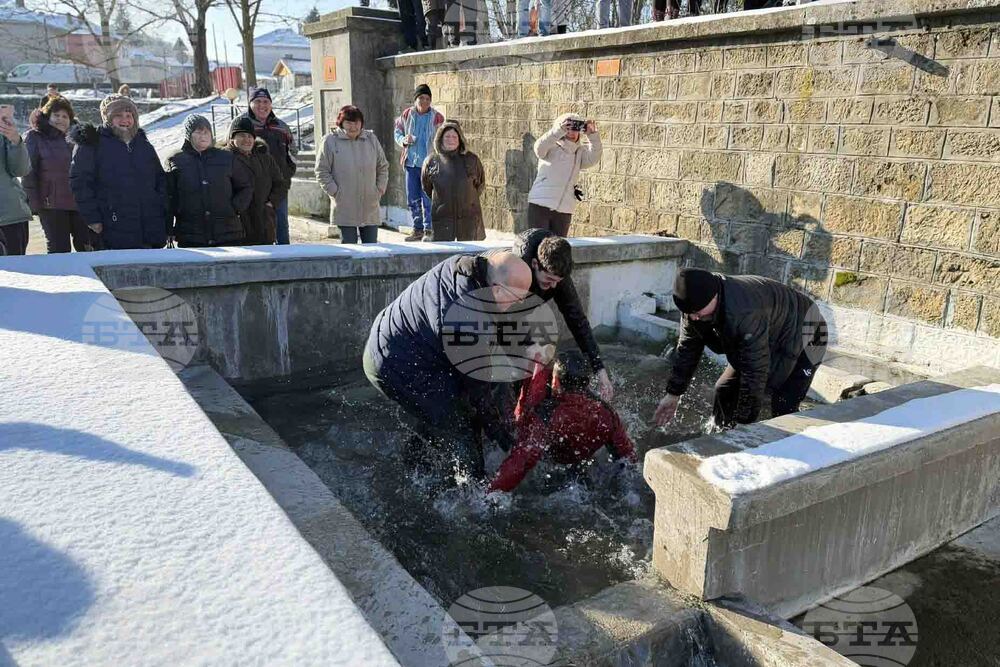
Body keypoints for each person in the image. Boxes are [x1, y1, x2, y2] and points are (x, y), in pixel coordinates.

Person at [364, 251, 533, 480]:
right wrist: (502, 436)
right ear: (496, 289)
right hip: (393, 364)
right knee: (460, 423)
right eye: (517, 298)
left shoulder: (477, 266)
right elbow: (478, 391)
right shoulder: (465, 318)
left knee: (456, 408)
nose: (519, 305)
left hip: (408, 343)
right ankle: (474, 493)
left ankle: (414, 458)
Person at [654, 268, 828, 430]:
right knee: (724, 389)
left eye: (697, 312)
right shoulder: (694, 306)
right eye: (689, 313)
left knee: (783, 403)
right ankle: (721, 434)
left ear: (714, 296)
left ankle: (795, 450)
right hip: (770, 331)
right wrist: (673, 393)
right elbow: (688, 349)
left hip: (810, 331)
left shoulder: (744, 312)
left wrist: (745, 424)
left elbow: (755, 371)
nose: (694, 317)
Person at [487, 350, 636, 493]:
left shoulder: (546, 415)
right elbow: (627, 457)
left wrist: (490, 492)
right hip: (580, 468)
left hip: (550, 470)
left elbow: (522, 462)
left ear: (556, 382)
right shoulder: (606, 412)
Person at [510, 228, 614, 400]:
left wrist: (600, 370)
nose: (553, 287)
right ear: (535, 264)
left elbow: (578, 321)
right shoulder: (515, 273)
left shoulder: (557, 277)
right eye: (548, 281)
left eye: (557, 282)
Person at [69, 94, 168, 250]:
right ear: (107, 118)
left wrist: (162, 213)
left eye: (129, 116)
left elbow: (160, 180)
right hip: (112, 226)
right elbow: (80, 183)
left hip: (149, 226)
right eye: (118, 115)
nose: (125, 120)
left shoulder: (143, 145)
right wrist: (92, 218)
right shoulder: (92, 144)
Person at [164, 115, 252, 248]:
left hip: (228, 232)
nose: (203, 136)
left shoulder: (226, 158)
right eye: (198, 132)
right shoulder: (175, 160)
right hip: (191, 234)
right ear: (189, 135)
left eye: (206, 132)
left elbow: (245, 186)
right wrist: (169, 228)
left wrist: (234, 208)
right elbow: (168, 197)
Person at [23, 96, 97, 253]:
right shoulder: (35, 137)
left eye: (65, 116)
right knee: (59, 249)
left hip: (79, 203)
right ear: (47, 116)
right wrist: (34, 204)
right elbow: (28, 173)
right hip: (51, 205)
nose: (61, 120)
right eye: (56, 115)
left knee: (87, 247)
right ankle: (62, 278)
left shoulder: (78, 139)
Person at [315, 105, 389, 245]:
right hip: (344, 204)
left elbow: (383, 166)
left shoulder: (371, 139)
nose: (353, 126)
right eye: (348, 122)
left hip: (369, 203)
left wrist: (379, 189)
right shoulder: (330, 141)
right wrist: (335, 191)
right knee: (350, 248)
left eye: (356, 122)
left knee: (372, 248)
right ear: (341, 123)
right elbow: (322, 170)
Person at [234, 88, 296, 245]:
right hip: (250, 189)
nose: (262, 105)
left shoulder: (282, 126)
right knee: (254, 227)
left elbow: (293, 152)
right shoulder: (241, 125)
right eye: (258, 101)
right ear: (250, 104)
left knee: (281, 226)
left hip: (278, 187)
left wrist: (287, 175)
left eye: (266, 102)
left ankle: (285, 260)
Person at [527, 113, 601, 236]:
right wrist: (558, 131)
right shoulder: (551, 146)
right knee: (537, 244)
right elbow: (538, 148)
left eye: (575, 127)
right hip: (540, 204)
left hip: (565, 208)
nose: (571, 132)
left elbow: (594, 158)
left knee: (558, 249)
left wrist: (592, 135)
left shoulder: (579, 152)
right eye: (568, 127)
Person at [393, 84, 444, 242]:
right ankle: (417, 229)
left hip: (430, 165)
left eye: (427, 98)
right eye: (421, 98)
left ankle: (429, 229)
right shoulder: (407, 114)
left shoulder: (437, 117)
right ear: (415, 99)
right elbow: (397, 132)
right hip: (411, 163)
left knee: (428, 198)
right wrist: (403, 140)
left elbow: (443, 136)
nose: (424, 101)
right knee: (413, 198)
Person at [226, 117, 288, 245]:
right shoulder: (224, 159)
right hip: (237, 224)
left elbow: (280, 184)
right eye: (242, 135)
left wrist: (270, 203)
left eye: (250, 136)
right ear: (233, 138)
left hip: (263, 220)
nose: (247, 140)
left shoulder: (264, 157)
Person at [420, 121, 484, 242]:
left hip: (468, 220)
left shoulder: (472, 160)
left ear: (460, 139)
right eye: (447, 136)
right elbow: (427, 187)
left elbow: (479, 185)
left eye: (454, 136)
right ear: (440, 138)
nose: (451, 140)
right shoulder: (431, 161)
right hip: (442, 219)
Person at [0, 112, 31, 256]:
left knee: (16, 275)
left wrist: (15, 141)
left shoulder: (3, 131)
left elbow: (21, 170)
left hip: (9, 218)